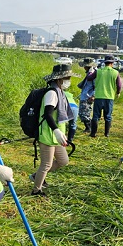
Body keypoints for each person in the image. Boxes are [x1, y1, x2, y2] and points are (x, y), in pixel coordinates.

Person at [29, 63, 78, 196]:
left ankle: (36, 176)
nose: (69, 81)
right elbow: (48, 114)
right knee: (46, 164)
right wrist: (56, 131)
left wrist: (60, 133)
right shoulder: (52, 93)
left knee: (63, 161)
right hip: (47, 135)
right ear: (59, 79)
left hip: (56, 136)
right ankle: (36, 190)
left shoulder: (60, 92)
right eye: (67, 78)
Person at [86, 55, 122, 137]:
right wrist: (118, 92)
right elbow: (119, 85)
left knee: (96, 116)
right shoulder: (115, 72)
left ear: (104, 63)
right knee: (108, 116)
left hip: (98, 96)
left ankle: (93, 133)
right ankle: (106, 133)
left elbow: (89, 78)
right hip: (109, 97)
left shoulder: (98, 71)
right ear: (112, 64)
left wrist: (90, 71)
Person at [77, 57, 96, 134]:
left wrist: (93, 96)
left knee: (85, 113)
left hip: (88, 96)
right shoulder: (89, 74)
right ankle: (88, 127)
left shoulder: (93, 74)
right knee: (82, 112)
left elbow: (96, 86)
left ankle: (89, 128)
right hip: (85, 95)